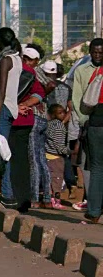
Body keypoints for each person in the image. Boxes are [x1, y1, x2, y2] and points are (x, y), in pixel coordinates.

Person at [0, 28, 23, 208]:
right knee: (4, 151)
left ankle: (7, 195)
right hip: (11, 107)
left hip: (1, 108)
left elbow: (0, 92)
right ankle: (5, 193)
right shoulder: (17, 59)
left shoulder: (5, 61)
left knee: (2, 153)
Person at [72, 38, 103, 224]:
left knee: (97, 168)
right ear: (90, 52)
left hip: (94, 124)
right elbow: (76, 100)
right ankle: (93, 209)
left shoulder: (83, 71)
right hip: (94, 123)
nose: (97, 55)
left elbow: (77, 100)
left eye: (100, 52)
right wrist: (84, 122)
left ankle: (93, 210)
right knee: (97, 168)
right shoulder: (81, 71)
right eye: (95, 52)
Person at [12, 47, 46, 210]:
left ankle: (9, 196)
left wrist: (16, 106)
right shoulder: (29, 72)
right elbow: (40, 94)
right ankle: (23, 200)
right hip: (25, 119)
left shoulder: (3, 68)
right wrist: (25, 104)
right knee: (24, 161)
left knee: (8, 159)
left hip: (7, 119)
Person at [44, 61, 78, 196]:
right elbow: (71, 108)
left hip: (47, 126)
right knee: (63, 156)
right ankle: (71, 185)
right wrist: (63, 121)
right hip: (63, 127)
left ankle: (52, 189)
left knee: (48, 156)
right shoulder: (66, 87)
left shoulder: (44, 87)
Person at [46, 104, 71, 210]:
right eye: (60, 113)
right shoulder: (59, 126)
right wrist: (68, 151)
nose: (63, 115)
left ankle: (49, 199)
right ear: (53, 114)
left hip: (46, 155)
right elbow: (59, 143)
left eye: (63, 112)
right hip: (56, 157)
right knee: (57, 180)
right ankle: (56, 201)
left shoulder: (48, 124)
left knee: (49, 179)